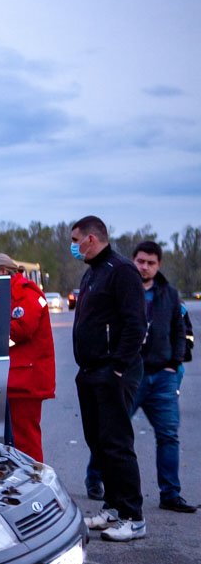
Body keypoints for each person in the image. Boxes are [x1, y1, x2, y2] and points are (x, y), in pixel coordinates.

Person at [71, 216, 148, 541]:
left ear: (91, 238)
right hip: (90, 372)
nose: (73, 246)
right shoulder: (93, 272)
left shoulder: (121, 270)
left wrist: (117, 367)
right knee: (98, 442)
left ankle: (133, 516)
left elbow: (135, 324)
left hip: (113, 372)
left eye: (75, 240)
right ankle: (113, 507)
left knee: (116, 444)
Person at [127, 241, 195, 512]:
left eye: (150, 263)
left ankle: (170, 494)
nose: (144, 267)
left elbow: (180, 330)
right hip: (130, 376)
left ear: (159, 265)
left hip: (162, 377)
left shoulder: (169, 294)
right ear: (133, 260)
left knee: (168, 435)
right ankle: (96, 480)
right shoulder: (123, 290)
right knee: (114, 433)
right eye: (140, 261)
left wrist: (174, 362)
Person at [0, 253, 55, 462]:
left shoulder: (26, 293)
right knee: (15, 440)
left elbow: (20, 331)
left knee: (25, 441)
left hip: (25, 380)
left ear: (1, 271)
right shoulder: (6, 291)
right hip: (15, 377)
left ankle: (35, 476)